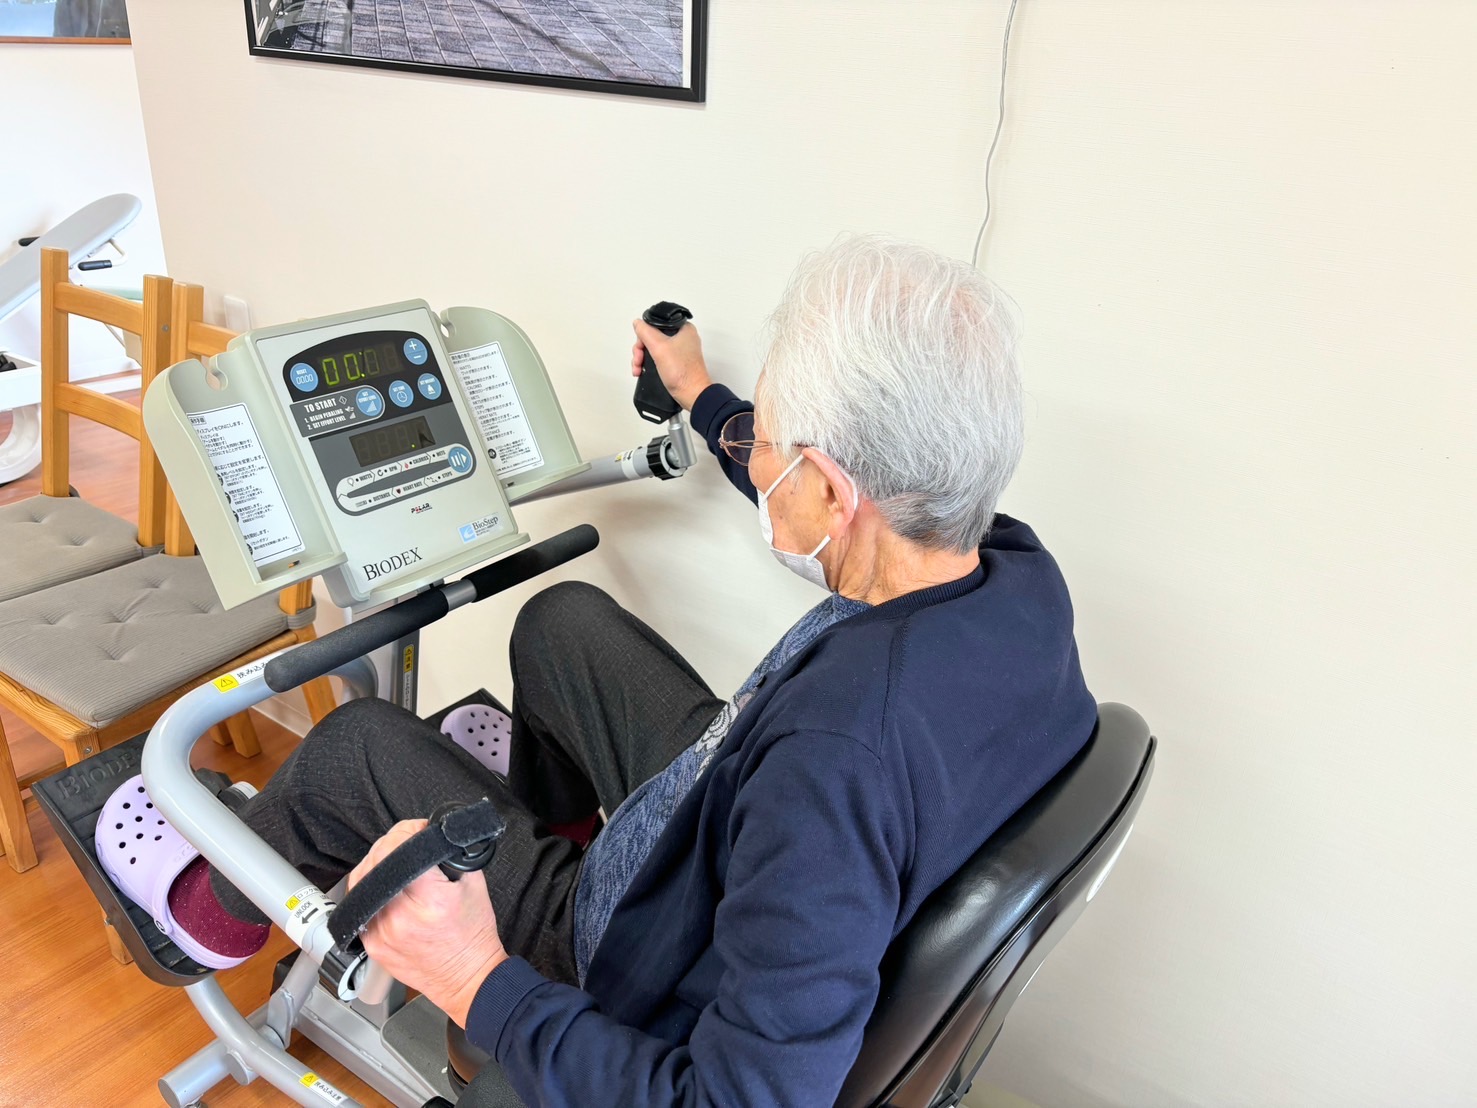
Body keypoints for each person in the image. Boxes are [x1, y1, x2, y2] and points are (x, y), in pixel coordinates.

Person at [119, 235, 1097, 1106]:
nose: (758, 460)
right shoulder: (1007, 566)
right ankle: (553, 830)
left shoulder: (833, 763)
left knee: (356, 744)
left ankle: (201, 918)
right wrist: (701, 395)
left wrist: (472, 976)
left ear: (835, 494)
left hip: (641, 958)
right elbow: (828, 486)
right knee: (562, 619)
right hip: (718, 836)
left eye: (768, 443)